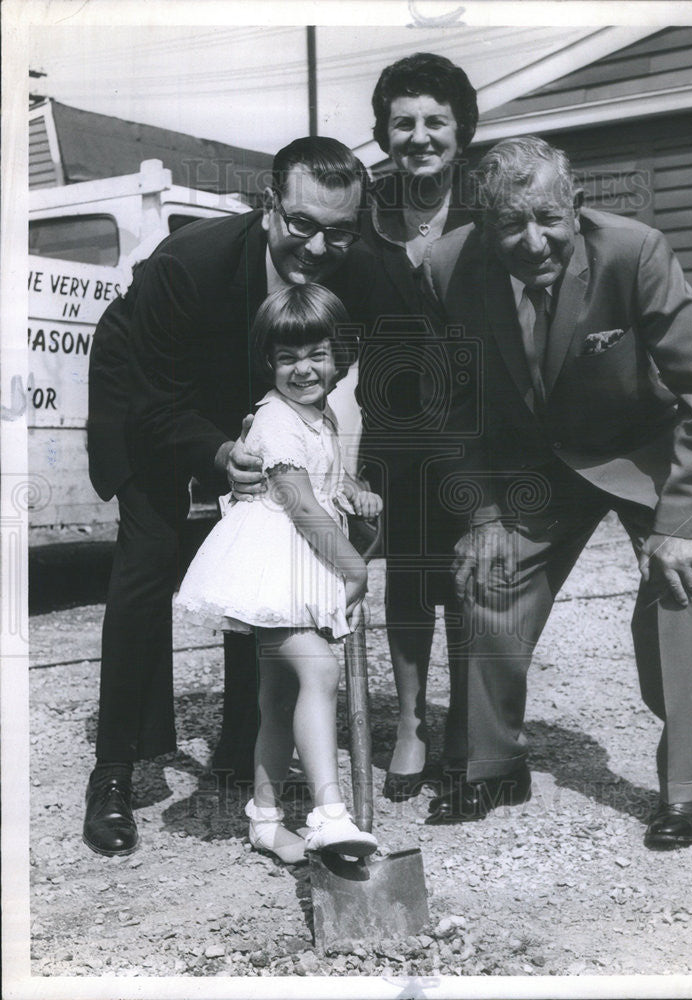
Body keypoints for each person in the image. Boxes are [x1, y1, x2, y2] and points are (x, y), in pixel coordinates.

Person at [421, 136, 692, 849]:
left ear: (576, 207)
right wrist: (481, 514)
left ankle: (685, 790)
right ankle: (494, 763)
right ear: (481, 223)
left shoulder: (635, 251)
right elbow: (450, 408)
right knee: (488, 577)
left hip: (641, 447)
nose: (532, 241)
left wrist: (685, 521)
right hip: (538, 462)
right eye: (510, 224)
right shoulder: (445, 268)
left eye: (547, 219)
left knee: (676, 589)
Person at [83, 136, 366, 857]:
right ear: (270, 206)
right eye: (301, 222)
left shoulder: (347, 267)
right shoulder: (191, 263)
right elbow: (153, 394)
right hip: (149, 400)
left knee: (265, 569)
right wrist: (214, 455)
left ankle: (242, 756)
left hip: (248, 400)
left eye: (337, 230)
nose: (317, 244)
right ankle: (115, 770)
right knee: (146, 567)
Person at [175, 284, 381, 863]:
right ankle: (329, 815)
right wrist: (351, 564)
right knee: (318, 670)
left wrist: (356, 494)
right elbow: (299, 502)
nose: (303, 368)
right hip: (273, 571)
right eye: (287, 357)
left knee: (279, 693)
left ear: (340, 357)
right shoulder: (274, 417)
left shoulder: (322, 417)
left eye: (317, 354)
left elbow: (328, 487)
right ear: (268, 362)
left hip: (300, 568)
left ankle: (265, 819)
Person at [349, 52, 479, 798]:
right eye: (404, 123)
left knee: (468, 578)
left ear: (460, 133)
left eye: (435, 121)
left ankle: (467, 723)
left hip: (478, 427)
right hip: (393, 433)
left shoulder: (485, 207)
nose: (420, 136)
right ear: (383, 132)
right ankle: (407, 724)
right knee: (406, 579)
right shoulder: (363, 214)